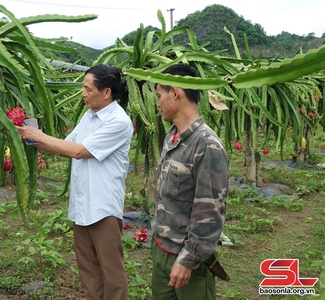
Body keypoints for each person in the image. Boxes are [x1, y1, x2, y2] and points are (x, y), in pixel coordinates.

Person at [16, 64, 133, 300]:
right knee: (88, 269)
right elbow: (65, 146)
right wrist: (26, 135)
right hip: (82, 206)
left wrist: (37, 136)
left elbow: (79, 151)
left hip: (102, 208)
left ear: (106, 92)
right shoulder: (89, 116)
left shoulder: (118, 122)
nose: (83, 93)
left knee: (112, 273)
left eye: (88, 89)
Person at [151, 63, 229, 300]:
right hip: (162, 249)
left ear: (175, 92)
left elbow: (210, 213)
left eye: (159, 95)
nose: (158, 102)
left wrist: (188, 260)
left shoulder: (206, 145)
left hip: (188, 261)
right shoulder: (172, 135)